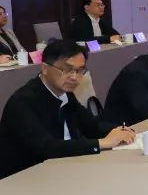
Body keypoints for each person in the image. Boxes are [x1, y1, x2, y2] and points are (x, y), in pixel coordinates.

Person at [0, 39, 135, 178]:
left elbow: (91, 126)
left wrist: (121, 130)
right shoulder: (23, 102)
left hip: (64, 169)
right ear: (45, 68)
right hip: (25, 178)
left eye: (79, 70)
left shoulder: (65, 93)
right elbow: (47, 148)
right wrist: (102, 143)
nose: (74, 77)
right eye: (67, 70)